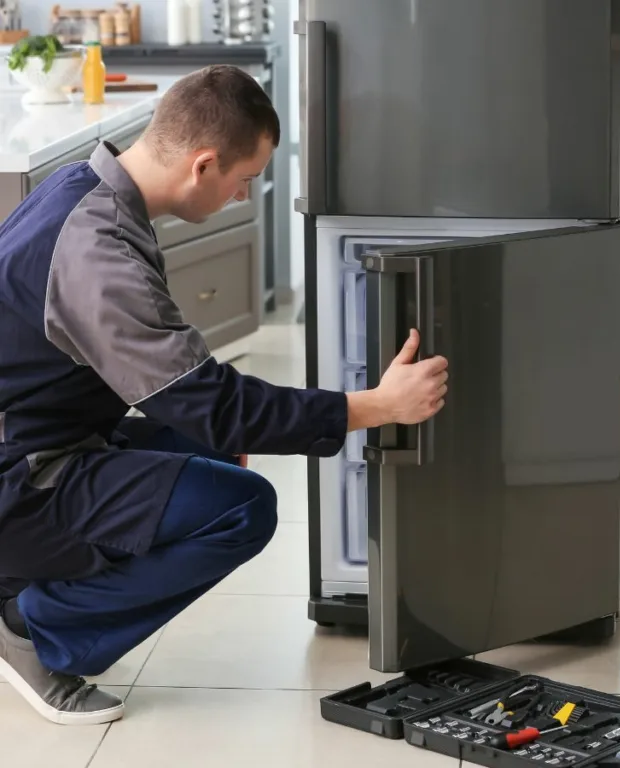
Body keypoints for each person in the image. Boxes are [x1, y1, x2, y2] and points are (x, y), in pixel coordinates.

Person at [0, 64, 448, 726]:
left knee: (219, 449)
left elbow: (198, 403)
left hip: (45, 435)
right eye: (244, 181)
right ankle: (31, 629)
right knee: (242, 508)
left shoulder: (85, 186)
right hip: (20, 476)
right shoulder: (97, 253)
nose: (243, 198)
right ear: (204, 165)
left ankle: (22, 585)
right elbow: (215, 404)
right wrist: (377, 407)